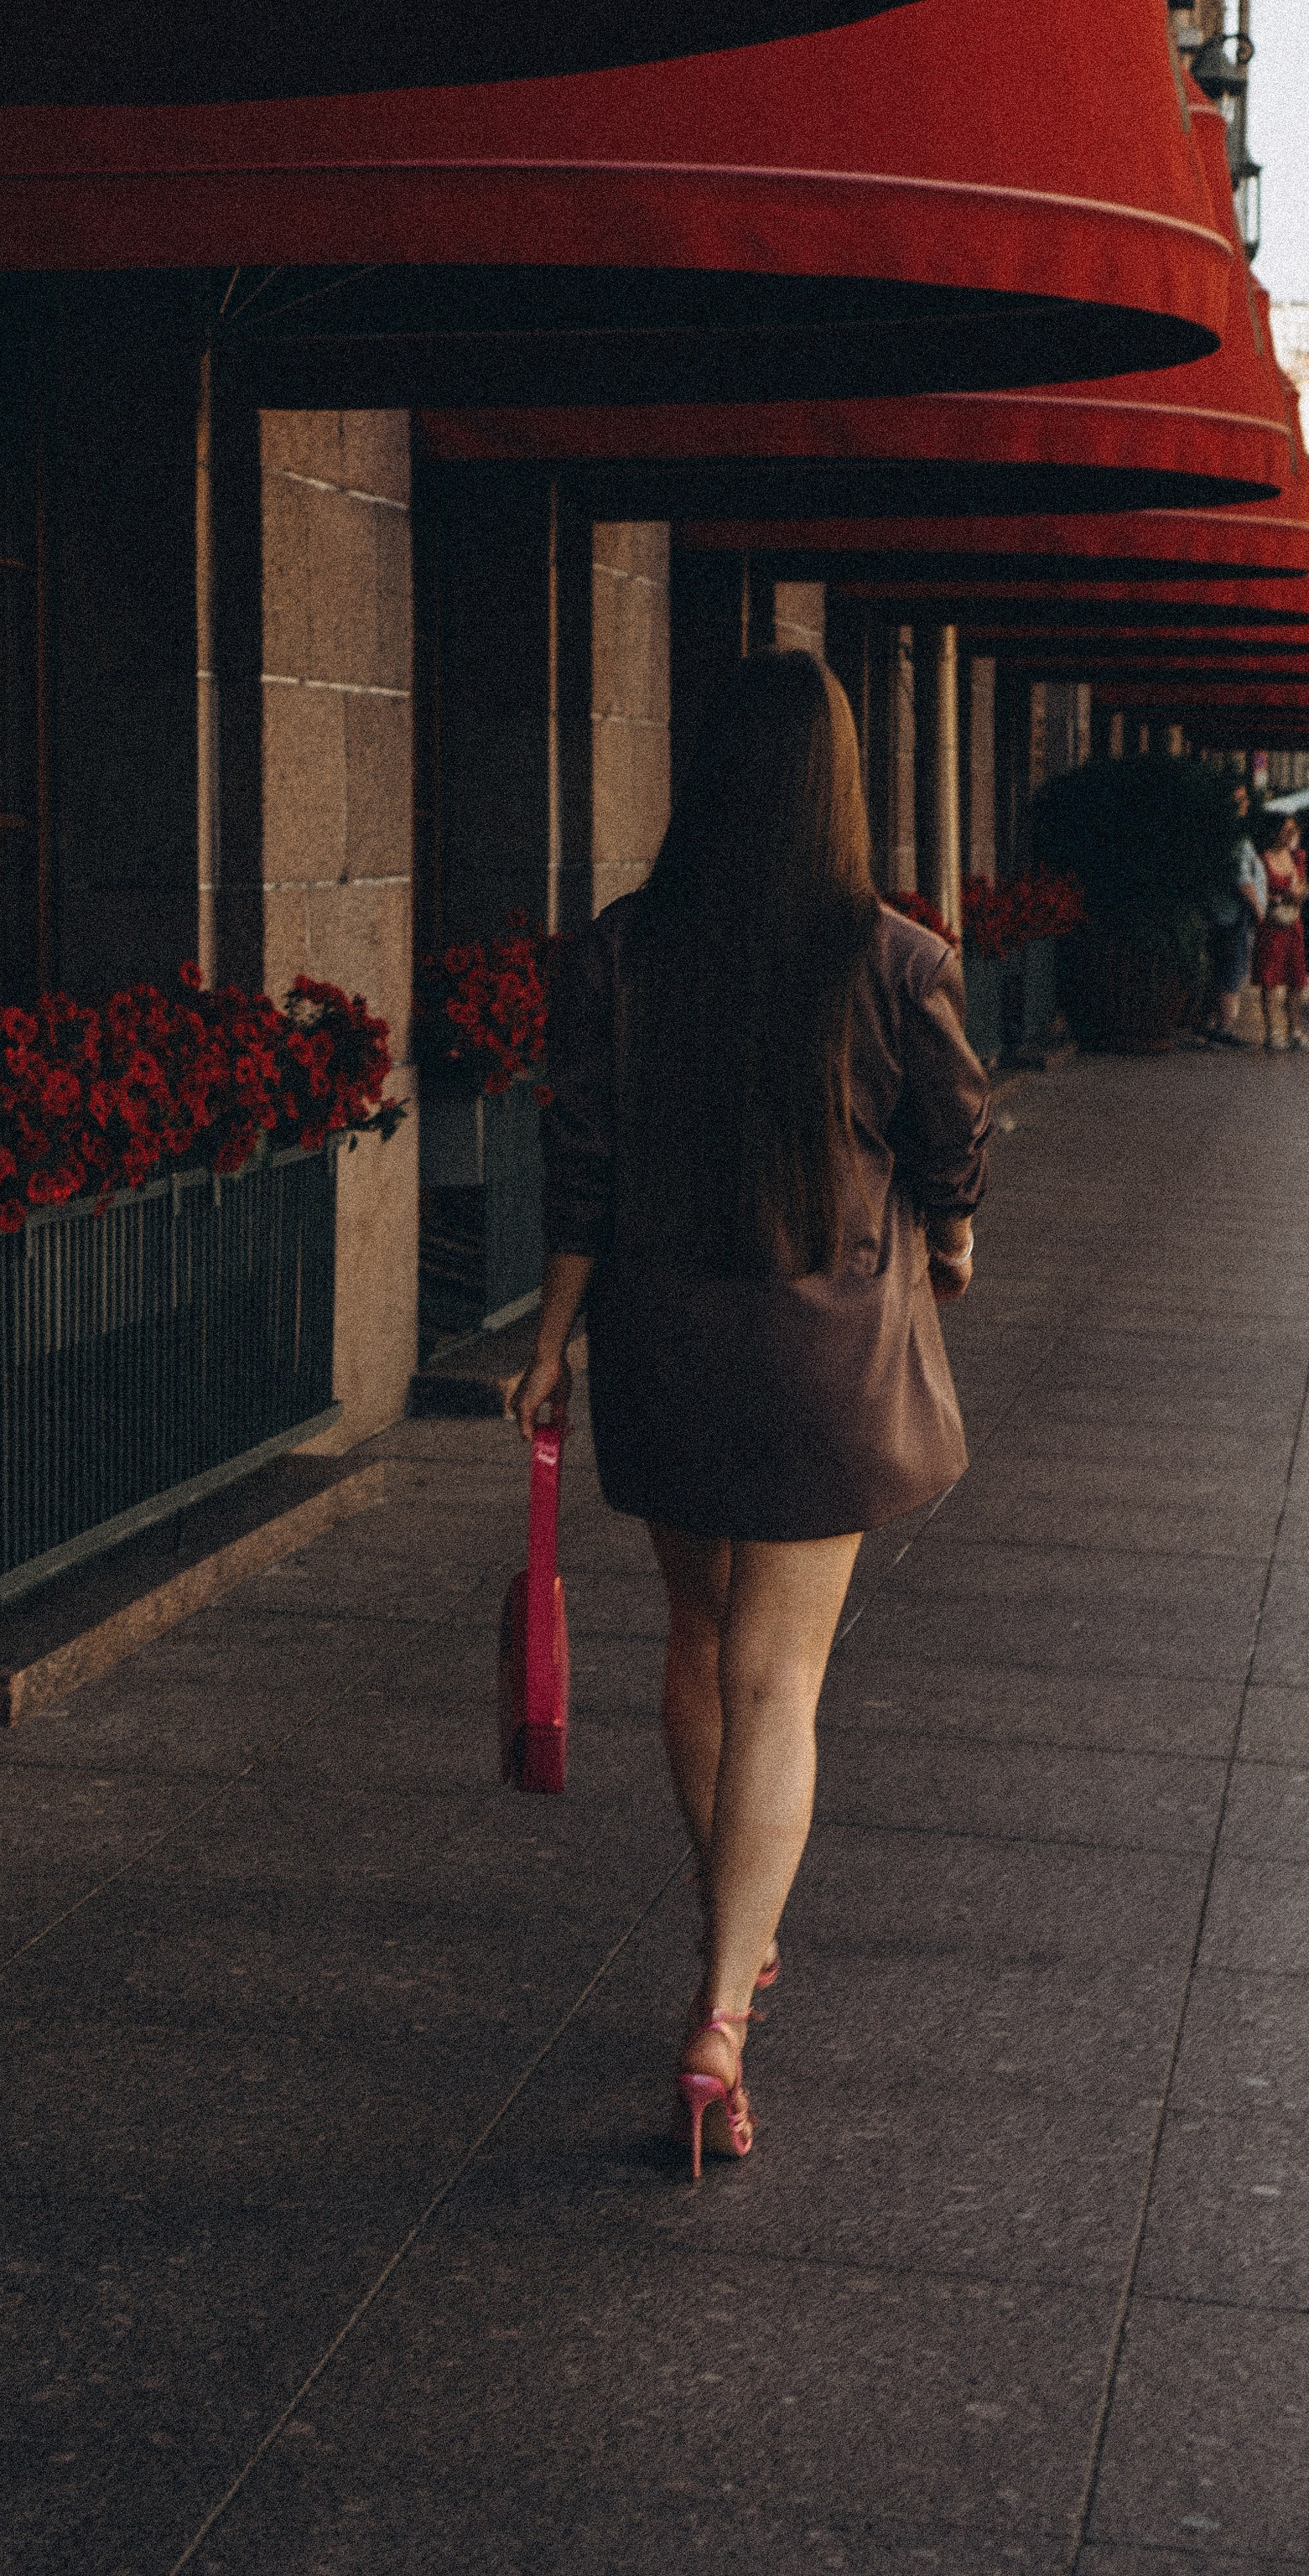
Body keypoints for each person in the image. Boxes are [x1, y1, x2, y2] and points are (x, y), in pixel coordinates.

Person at [510, 653, 990, 2179]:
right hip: (823, 1363)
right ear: (839, 789)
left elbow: (577, 1166)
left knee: (699, 1643)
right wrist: (958, 1241)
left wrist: (551, 1341)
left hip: (665, 1346)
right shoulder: (896, 959)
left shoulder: (622, 954)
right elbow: (954, 1134)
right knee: (783, 1680)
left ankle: (735, 1908)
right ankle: (723, 2010)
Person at [1200, 781, 1265, 1045]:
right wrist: (1257, 908)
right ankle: (1223, 1028)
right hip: (1234, 916)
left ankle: (1213, 1022)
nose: (1246, 804)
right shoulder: (1234, 837)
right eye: (1240, 800)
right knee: (1233, 969)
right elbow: (1242, 879)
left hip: (1225, 913)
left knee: (1225, 966)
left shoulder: (1225, 834)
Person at [1254, 814, 1309, 1049]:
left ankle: (1295, 1029)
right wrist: (1279, 898)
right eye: (1286, 830)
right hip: (1272, 925)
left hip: (1293, 923)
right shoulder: (1263, 860)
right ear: (1274, 831)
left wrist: (1301, 893)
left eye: (1292, 830)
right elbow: (1259, 893)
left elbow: (1304, 885)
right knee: (1270, 979)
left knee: (1296, 979)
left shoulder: (1296, 857)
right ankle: (1272, 1031)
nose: (1290, 835)